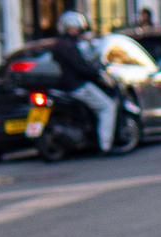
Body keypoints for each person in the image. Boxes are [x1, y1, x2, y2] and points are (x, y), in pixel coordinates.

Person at [49, 11, 119, 151]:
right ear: (69, 28)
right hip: (77, 85)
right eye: (75, 28)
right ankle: (105, 145)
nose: (78, 31)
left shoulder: (59, 45)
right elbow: (80, 66)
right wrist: (96, 74)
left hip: (64, 86)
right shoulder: (68, 45)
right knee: (107, 107)